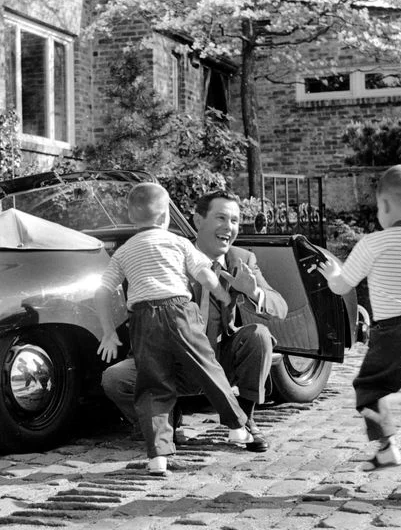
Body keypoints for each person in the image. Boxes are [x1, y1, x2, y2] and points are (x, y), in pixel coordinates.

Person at [102, 189, 288, 451]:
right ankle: (162, 422)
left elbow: (280, 308)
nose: (229, 227)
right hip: (169, 361)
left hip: (219, 359)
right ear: (198, 221)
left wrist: (253, 291)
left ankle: (245, 419)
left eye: (235, 221)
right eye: (221, 218)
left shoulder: (242, 260)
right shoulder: (167, 249)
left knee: (259, 336)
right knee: (115, 378)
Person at [315, 164, 401, 499]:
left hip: (392, 330)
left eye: (379, 207)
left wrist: (330, 273)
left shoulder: (373, 243)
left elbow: (342, 286)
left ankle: (387, 443)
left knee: (368, 386)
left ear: (386, 207)